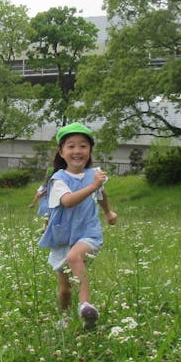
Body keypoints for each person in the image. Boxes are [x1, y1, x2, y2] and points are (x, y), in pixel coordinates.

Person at [37, 123, 118, 330]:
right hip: (63, 236)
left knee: (75, 257)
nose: (77, 151)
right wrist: (93, 186)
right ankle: (64, 317)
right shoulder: (58, 180)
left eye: (83, 146)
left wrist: (108, 212)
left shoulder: (95, 175)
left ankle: (86, 306)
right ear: (61, 152)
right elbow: (68, 201)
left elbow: (101, 194)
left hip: (88, 233)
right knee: (64, 289)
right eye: (71, 146)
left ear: (90, 150)